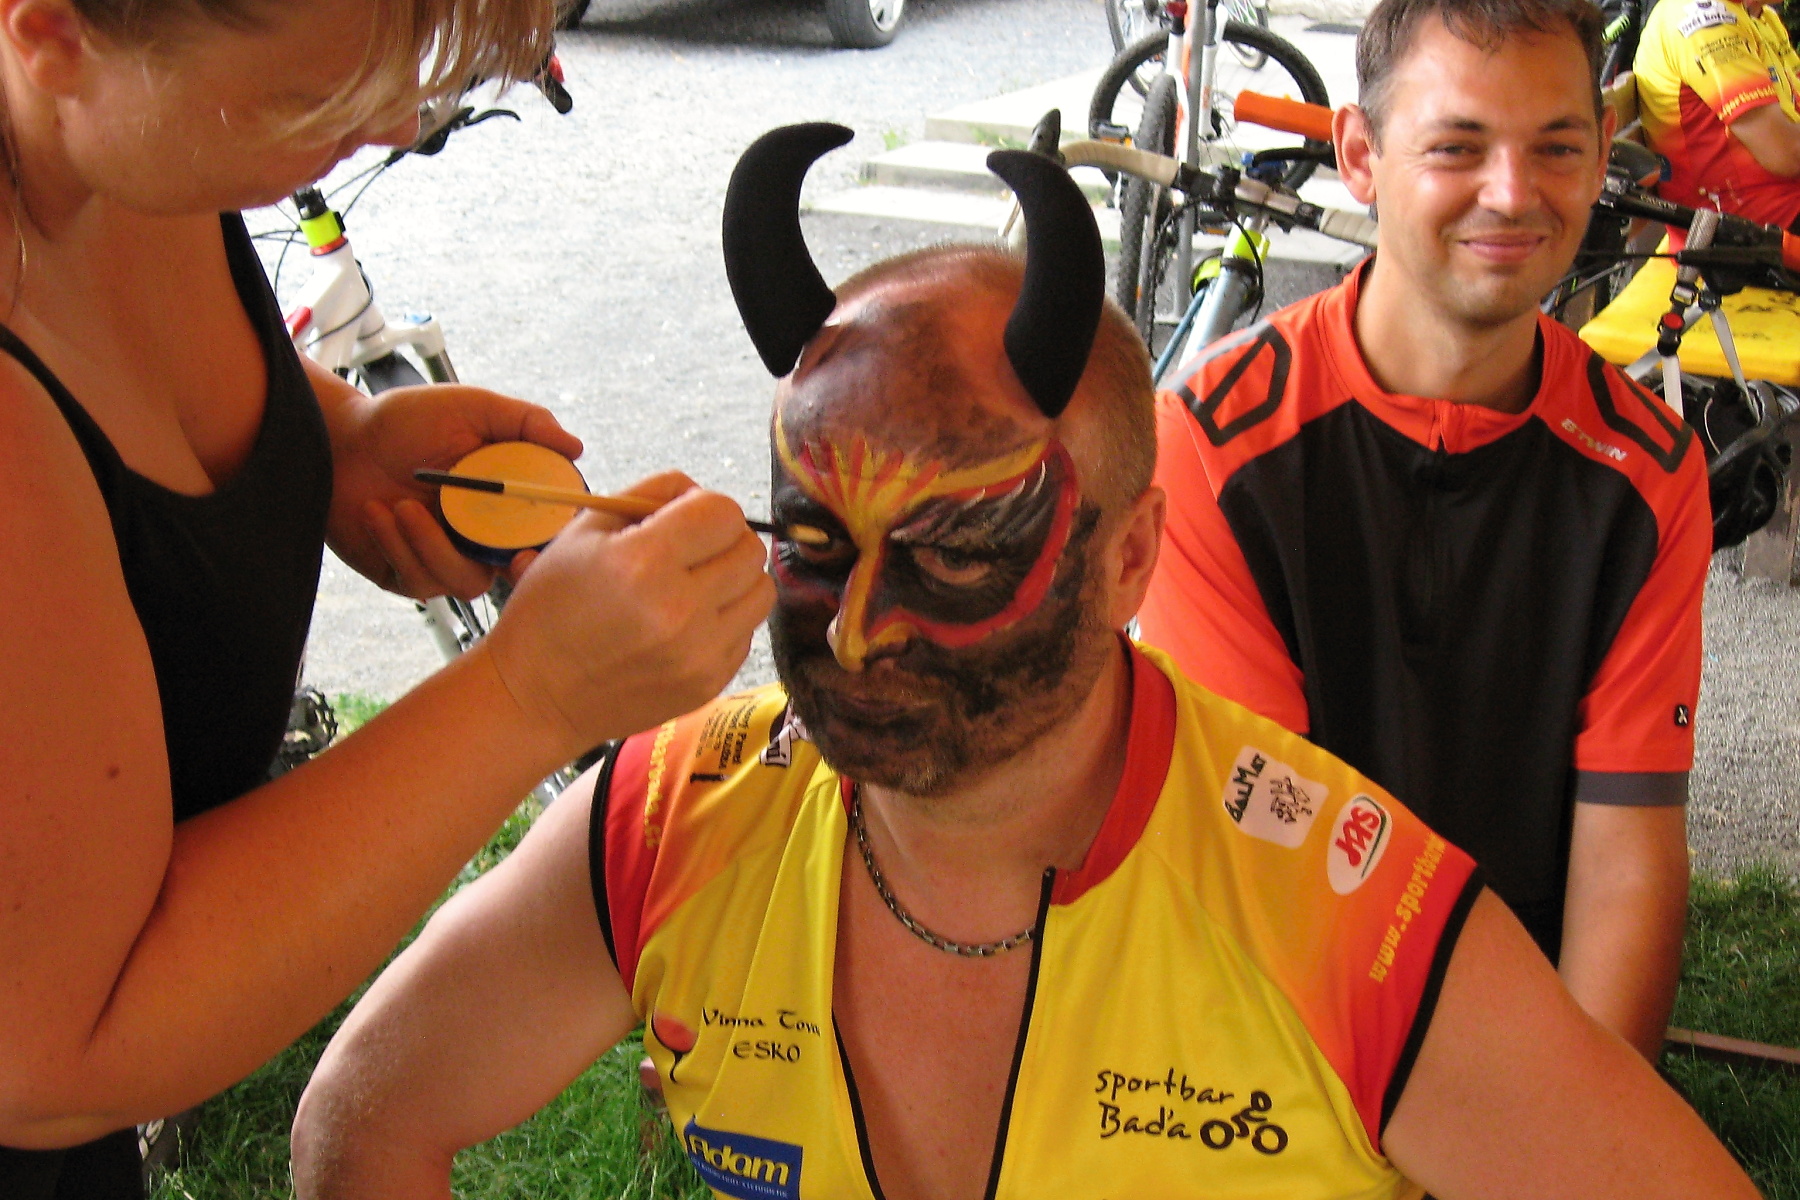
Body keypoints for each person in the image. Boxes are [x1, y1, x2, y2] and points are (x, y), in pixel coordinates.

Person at [286, 127, 1755, 1200]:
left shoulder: (1337, 917)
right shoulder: (680, 821)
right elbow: (362, 1120)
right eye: (816, 539)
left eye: (956, 553)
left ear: (1131, 562)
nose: (855, 626)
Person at [0, 0, 773, 1194]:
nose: (397, 124)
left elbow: (124, 402)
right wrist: (530, 693)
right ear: (50, 35)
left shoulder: (129, 139)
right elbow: (61, 1048)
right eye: (310, 102)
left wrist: (336, 444)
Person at [1135, 0, 1709, 1064]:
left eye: (1557, 149)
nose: (1513, 193)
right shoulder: (1210, 449)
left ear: (1602, 160)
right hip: (1277, 1031)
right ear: (1361, 155)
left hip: (1529, 1026)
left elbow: (1627, 849)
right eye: (1458, 146)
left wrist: (1572, 1121)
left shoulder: (1651, 472)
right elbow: (1259, 860)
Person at [1634, 0, 1800, 230]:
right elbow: (1785, 152)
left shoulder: (1759, 17)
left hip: (1775, 205)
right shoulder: (1705, 21)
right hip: (1743, 223)